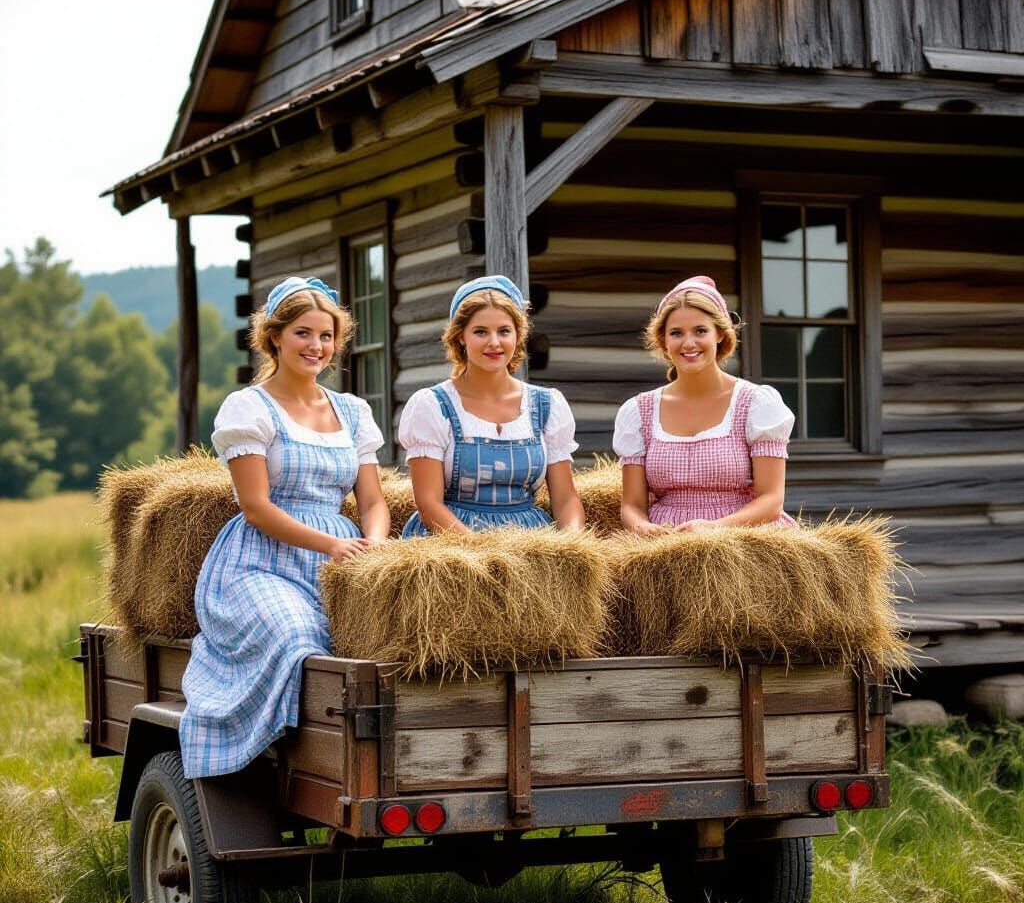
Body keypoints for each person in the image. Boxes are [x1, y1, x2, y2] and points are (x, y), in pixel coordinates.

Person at [180, 276, 390, 778]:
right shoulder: (249, 407)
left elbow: (374, 500)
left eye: (325, 335)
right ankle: (276, 761)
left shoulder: (353, 411)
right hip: (260, 559)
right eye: (302, 333)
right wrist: (333, 543)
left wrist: (373, 549)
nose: (315, 346)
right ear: (274, 337)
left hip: (341, 559)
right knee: (297, 634)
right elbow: (255, 507)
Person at [398, 275, 585, 536]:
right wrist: (485, 555)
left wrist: (572, 544)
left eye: (504, 331)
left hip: (529, 542)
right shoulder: (433, 405)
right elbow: (429, 504)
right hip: (452, 545)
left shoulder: (547, 405)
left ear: (518, 335)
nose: (494, 342)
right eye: (480, 332)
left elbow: (566, 499)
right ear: (461, 337)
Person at [614, 275, 796, 534]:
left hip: (742, 538)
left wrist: (713, 527)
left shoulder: (755, 404)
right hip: (666, 543)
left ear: (720, 334)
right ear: (664, 341)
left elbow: (771, 501)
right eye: (676, 333)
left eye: (700, 331)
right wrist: (645, 528)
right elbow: (632, 505)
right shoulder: (638, 411)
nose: (688, 343)